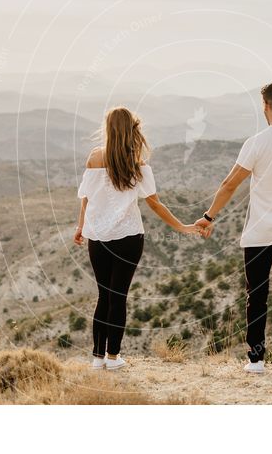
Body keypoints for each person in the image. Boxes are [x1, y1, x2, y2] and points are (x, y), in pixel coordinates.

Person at [196, 82, 272, 374]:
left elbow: (229, 184)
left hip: (260, 232)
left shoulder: (256, 143)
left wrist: (208, 217)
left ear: (265, 106)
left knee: (257, 295)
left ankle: (256, 360)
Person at [74, 106, 201, 370]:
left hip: (97, 238)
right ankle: (113, 357)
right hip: (129, 238)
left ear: (108, 128)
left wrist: (80, 226)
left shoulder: (94, 158)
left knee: (103, 296)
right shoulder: (137, 165)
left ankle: (97, 358)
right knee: (118, 297)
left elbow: (86, 196)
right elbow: (155, 204)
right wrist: (182, 227)